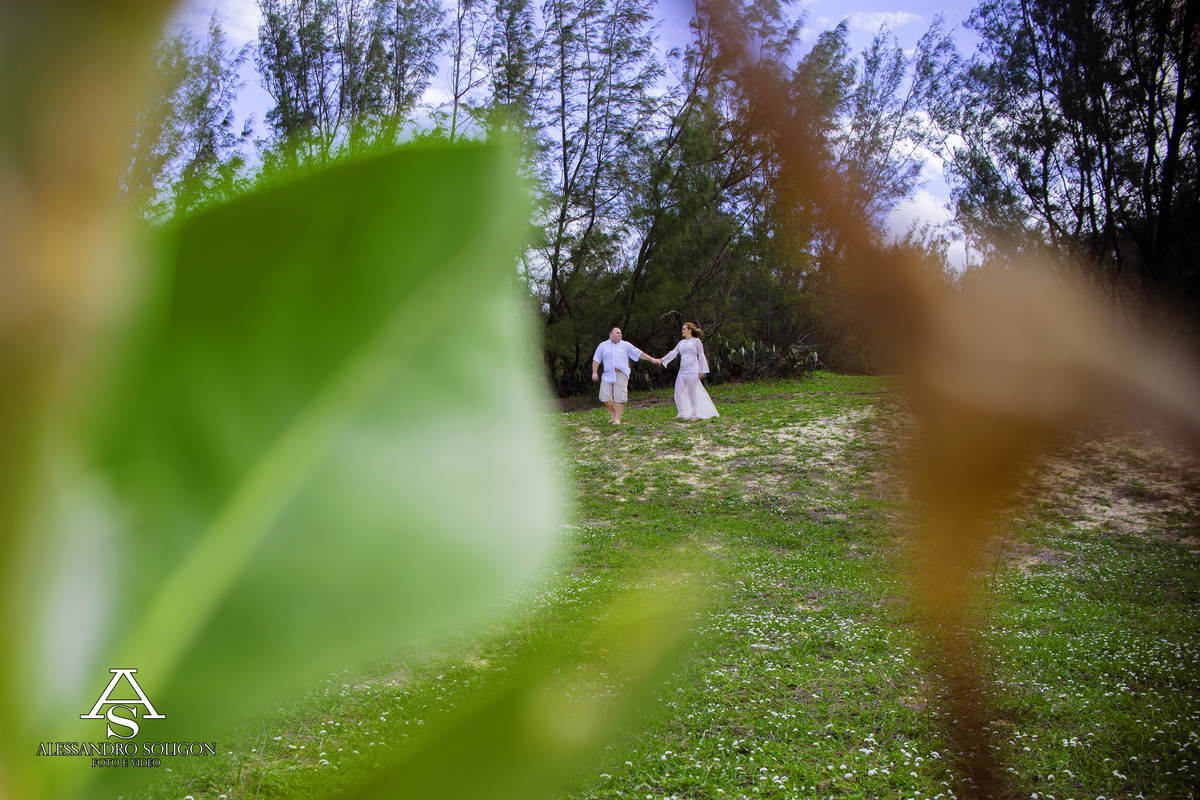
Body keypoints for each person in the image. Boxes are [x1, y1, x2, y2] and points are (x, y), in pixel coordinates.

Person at [592, 327, 660, 424]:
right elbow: (596, 359)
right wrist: (594, 372)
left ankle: (617, 419)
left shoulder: (625, 345)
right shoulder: (603, 346)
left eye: (621, 333)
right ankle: (613, 413)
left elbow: (639, 353)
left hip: (621, 373)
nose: (620, 334)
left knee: (620, 396)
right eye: (617, 333)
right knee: (604, 396)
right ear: (611, 335)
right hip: (607, 374)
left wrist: (653, 360)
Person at [660, 322, 719, 421]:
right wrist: (662, 359)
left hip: (693, 369)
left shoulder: (696, 341)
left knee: (692, 392)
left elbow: (701, 355)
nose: (682, 331)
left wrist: (701, 370)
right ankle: (682, 412)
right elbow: (674, 352)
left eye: (684, 329)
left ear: (690, 330)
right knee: (678, 391)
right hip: (683, 370)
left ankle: (695, 413)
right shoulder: (681, 342)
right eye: (682, 329)